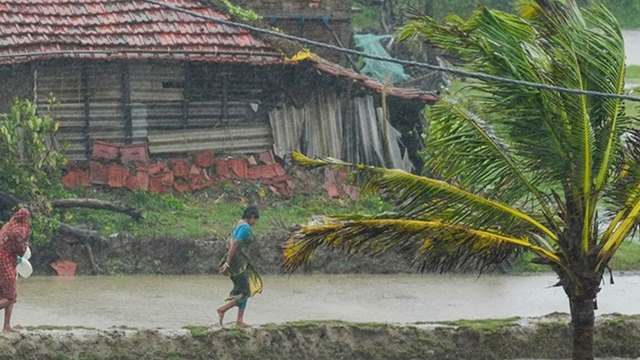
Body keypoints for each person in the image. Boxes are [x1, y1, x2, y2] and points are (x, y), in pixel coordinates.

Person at [217, 206, 263, 328]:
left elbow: (231, 242)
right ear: (252, 217)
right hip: (237, 265)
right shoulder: (245, 228)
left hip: (237, 263)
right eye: (256, 219)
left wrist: (227, 261)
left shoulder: (239, 224)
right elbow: (235, 244)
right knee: (246, 292)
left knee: (243, 290)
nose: (256, 222)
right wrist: (227, 262)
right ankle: (223, 309)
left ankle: (239, 320)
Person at [0, 208, 31, 332]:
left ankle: (6, 326)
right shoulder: (19, 231)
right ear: (26, 218)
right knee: (11, 297)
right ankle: (6, 326)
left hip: (3, 260)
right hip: (5, 263)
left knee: (5, 295)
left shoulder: (8, 225)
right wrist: (26, 246)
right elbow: (21, 250)